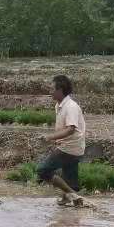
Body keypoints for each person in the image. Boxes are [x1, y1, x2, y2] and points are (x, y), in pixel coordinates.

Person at [37, 74, 87, 207]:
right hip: (72, 146)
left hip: (70, 147)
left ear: (60, 90)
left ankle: (72, 195)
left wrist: (50, 137)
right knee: (71, 180)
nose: (50, 91)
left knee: (43, 170)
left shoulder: (70, 106)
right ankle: (69, 196)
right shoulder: (59, 105)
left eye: (52, 88)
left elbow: (71, 129)